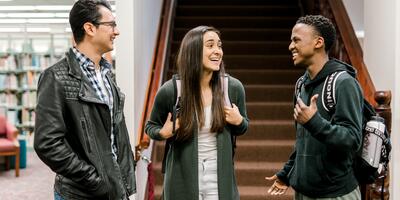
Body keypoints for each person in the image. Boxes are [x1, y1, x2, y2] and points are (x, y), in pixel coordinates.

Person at [34, 0, 136, 199]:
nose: (117, 32)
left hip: (114, 190)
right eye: (111, 25)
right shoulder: (56, 77)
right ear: (89, 28)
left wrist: (123, 180)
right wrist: (94, 180)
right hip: (81, 193)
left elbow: (114, 137)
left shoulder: (106, 76)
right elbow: (47, 143)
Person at [145, 26, 249, 200]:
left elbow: (243, 126)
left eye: (219, 45)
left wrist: (239, 121)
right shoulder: (172, 90)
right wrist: (163, 132)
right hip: (182, 180)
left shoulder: (232, 88)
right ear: (193, 51)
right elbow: (151, 127)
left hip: (218, 180)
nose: (218, 51)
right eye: (210, 45)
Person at [265, 15, 363, 199]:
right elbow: (303, 142)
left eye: (296, 40)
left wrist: (314, 122)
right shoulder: (301, 84)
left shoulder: (343, 83)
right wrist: (287, 173)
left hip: (335, 194)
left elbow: (352, 140)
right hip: (303, 192)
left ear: (318, 42)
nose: (290, 46)